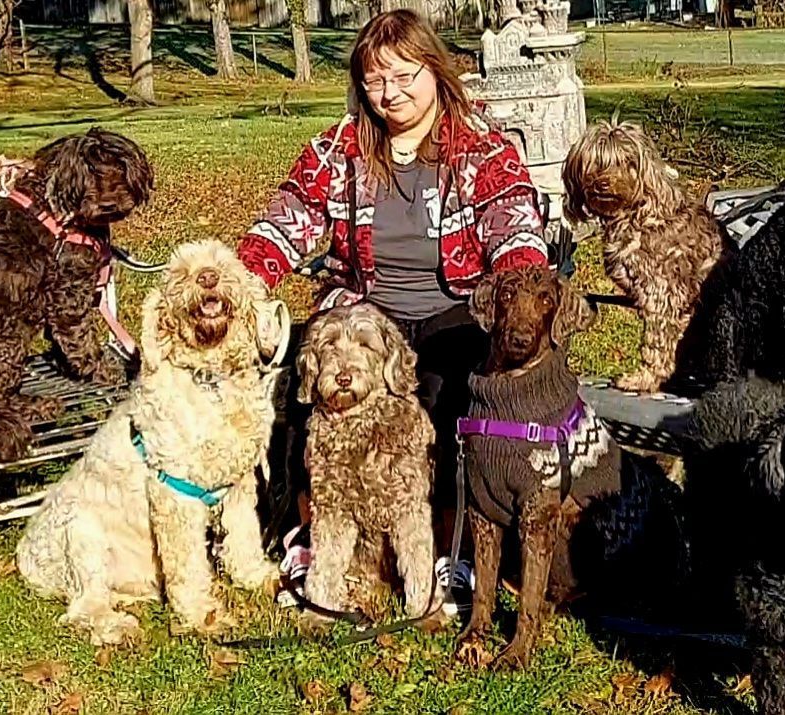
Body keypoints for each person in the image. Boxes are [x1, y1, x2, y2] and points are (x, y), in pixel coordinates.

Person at [237, 9, 554, 607]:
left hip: (454, 305)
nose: (390, 94)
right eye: (376, 81)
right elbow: (290, 218)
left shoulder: (481, 148)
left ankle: (448, 549)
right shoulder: (338, 150)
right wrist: (242, 279)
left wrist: (516, 281)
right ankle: (314, 540)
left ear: (434, 71)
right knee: (313, 384)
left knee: (452, 391)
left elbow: (513, 224)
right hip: (367, 308)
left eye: (405, 76)